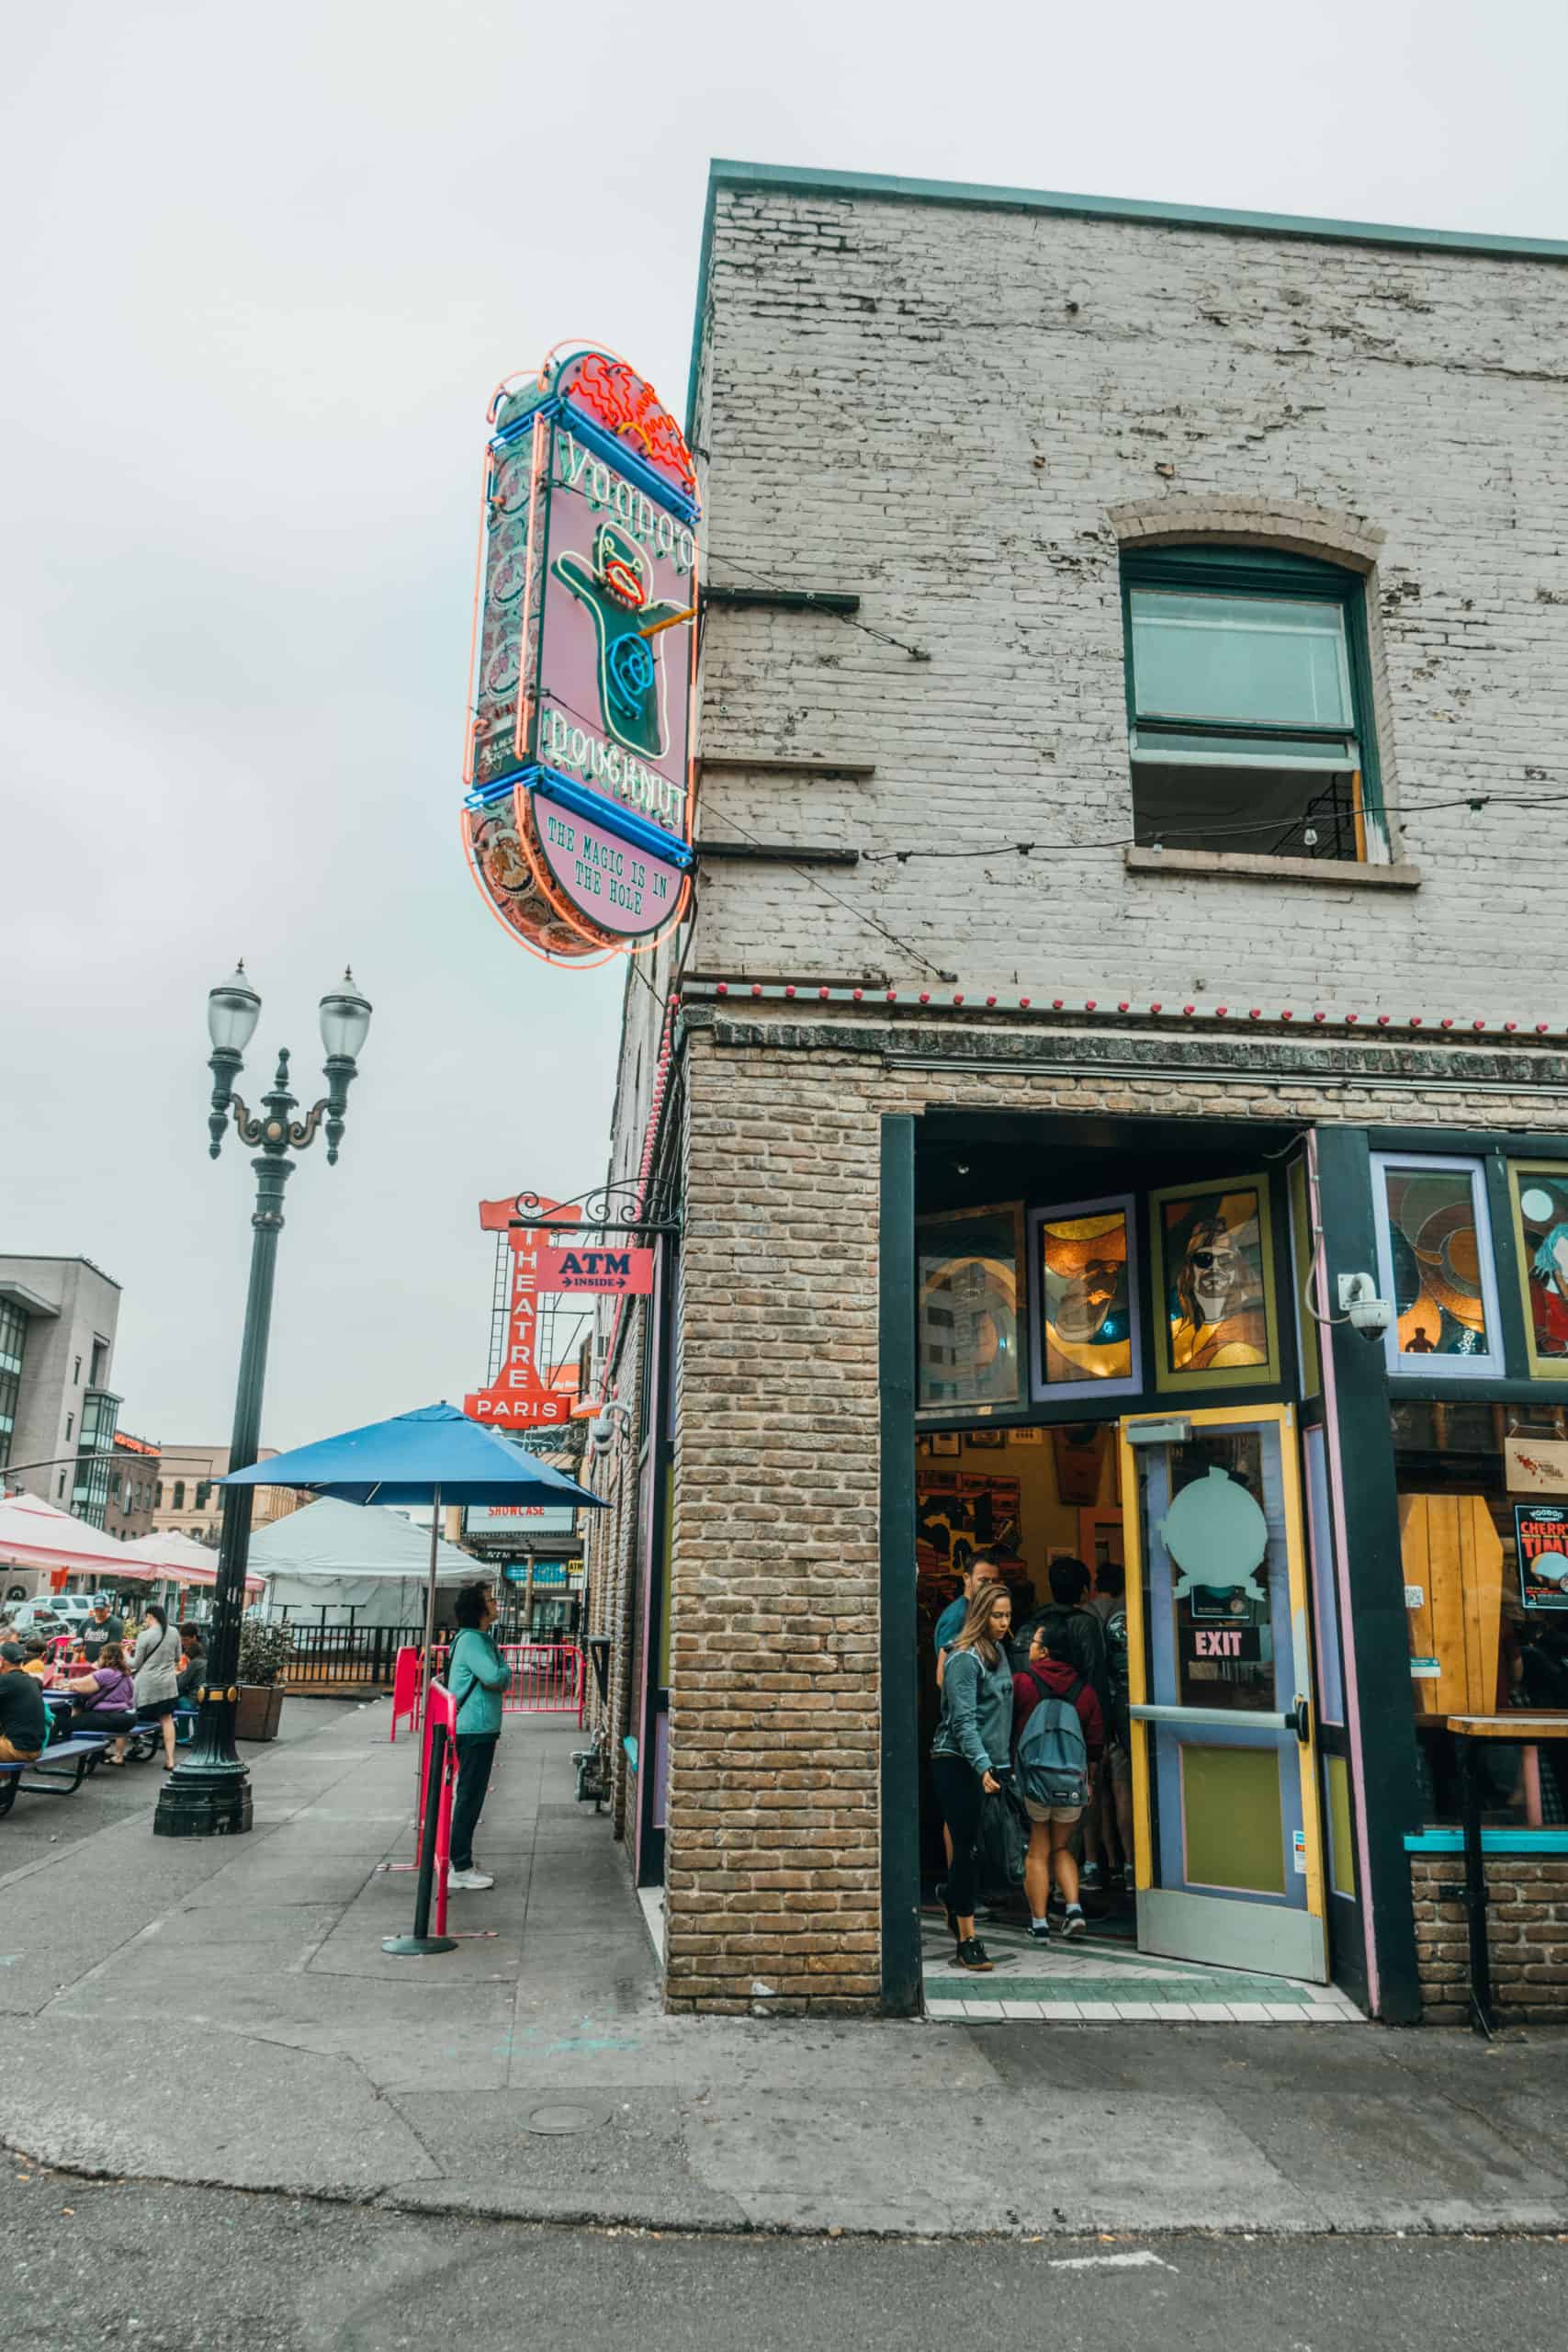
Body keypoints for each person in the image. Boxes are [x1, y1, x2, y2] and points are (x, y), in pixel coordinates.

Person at [929, 1581, 1014, 1973]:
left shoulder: (999, 1654)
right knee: (967, 1849)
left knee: (976, 1847)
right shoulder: (964, 1659)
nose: (1003, 1622)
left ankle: (950, 1894)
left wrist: (999, 1764)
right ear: (980, 1615)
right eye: (996, 1615)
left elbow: (1000, 1717)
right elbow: (963, 1722)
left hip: (985, 1765)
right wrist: (981, 1765)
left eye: (1008, 1615)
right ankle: (968, 1939)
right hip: (955, 1761)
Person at [1011, 1616, 1104, 1940]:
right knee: (1062, 1847)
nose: (1030, 1649)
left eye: (1034, 1644)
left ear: (1046, 1651)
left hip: (1035, 1780)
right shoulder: (1086, 1690)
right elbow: (1094, 1743)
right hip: (1070, 1782)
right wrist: (1088, 1780)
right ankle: (1074, 1909)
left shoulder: (1023, 1682)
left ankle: (1039, 1924)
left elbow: (1010, 1729)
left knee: (1037, 1848)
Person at [1035, 1557, 1113, 1892]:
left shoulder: (1035, 1622)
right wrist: (1102, 1733)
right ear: (1084, 1590)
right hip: (1075, 1725)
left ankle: (1048, 1882)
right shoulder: (1084, 1624)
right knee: (1075, 1799)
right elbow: (1095, 1676)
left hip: (1038, 1723)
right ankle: (1071, 1880)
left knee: (1040, 1800)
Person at [446, 1582, 510, 1892]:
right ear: (479, 1609)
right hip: (475, 1728)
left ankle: (462, 1860)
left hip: (476, 1726)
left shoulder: (475, 1639)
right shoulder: (473, 1642)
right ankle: (460, 1865)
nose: (495, 1603)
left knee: (470, 1794)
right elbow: (496, 1677)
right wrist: (504, 1668)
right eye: (490, 1599)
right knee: (470, 1796)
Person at [63, 1642, 138, 1761]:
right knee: (85, 1719)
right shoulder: (126, 1674)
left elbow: (77, 1684)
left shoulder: (107, 1672)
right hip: (129, 1719)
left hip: (111, 1717)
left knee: (67, 1724)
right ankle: (97, 1753)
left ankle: (67, 1753)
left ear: (105, 1657)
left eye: (100, 1656)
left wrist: (68, 1684)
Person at [932, 1550, 1002, 1675]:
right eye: (983, 1580)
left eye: (994, 1581)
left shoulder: (980, 1610)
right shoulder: (957, 1616)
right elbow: (945, 1676)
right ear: (966, 1579)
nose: (990, 1586)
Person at [129, 1603, 181, 1769]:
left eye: (146, 1618)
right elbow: (178, 1658)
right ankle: (170, 1760)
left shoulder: (145, 1635)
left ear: (151, 1616)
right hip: (168, 1684)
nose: (146, 1621)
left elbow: (136, 1663)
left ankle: (121, 1752)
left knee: (130, 1712)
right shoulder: (174, 1632)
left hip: (147, 1685)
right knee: (167, 1719)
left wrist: (124, 1655)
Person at [0, 1641, 49, 1765]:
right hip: (35, 1747)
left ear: (2, 1660)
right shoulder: (28, 1679)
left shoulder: (6, 1680)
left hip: (17, 1748)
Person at [79, 1599, 124, 1663]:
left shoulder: (115, 1623)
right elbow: (78, 1645)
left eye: (101, 1609)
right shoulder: (86, 1622)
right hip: (87, 1662)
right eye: (96, 1609)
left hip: (107, 1663)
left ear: (108, 1608)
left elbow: (114, 1649)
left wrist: (100, 1664)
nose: (99, 1612)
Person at [177, 1623, 207, 1705]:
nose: (183, 1643)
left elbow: (181, 1684)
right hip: (200, 1698)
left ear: (194, 1637)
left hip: (193, 1700)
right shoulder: (203, 1655)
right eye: (182, 1640)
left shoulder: (196, 1662)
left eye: (185, 1640)